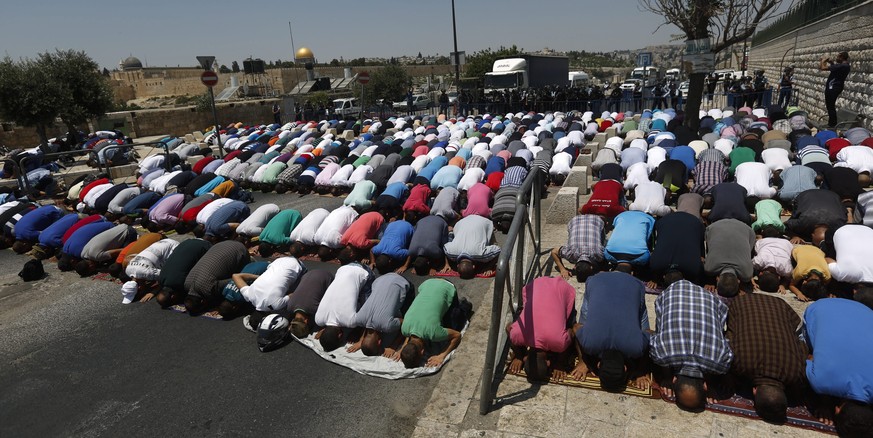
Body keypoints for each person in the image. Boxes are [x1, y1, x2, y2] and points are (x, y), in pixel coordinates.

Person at [650, 278, 733, 413]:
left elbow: (728, 351)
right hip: (680, 293)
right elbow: (654, 340)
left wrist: (666, 378)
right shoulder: (662, 354)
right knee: (662, 331)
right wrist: (666, 377)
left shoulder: (720, 363)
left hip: (702, 297)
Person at [726, 292, 808, 424]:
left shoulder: (796, 373)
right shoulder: (739, 365)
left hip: (775, 305)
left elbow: (802, 347)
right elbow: (729, 338)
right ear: (754, 391)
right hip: (744, 303)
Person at [803, 298, 873, 435]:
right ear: (837, 410)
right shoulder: (820, 382)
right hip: (820, 308)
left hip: (865, 311)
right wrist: (824, 401)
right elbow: (808, 359)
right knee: (805, 347)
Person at [573, 271, 652, 392]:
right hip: (598, 280)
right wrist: (584, 360)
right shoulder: (589, 344)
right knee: (584, 323)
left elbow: (650, 333)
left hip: (634, 284)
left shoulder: (636, 348)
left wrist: (641, 371)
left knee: (642, 327)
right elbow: (576, 327)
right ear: (625, 368)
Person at [506, 276, 577, 383]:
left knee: (569, 325)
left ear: (548, 362)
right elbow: (508, 328)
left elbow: (571, 332)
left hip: (563, 288)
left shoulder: (559, 344)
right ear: (526, 359)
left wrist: (560, 363)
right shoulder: (517, 336)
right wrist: (520, 356)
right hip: (535, 284)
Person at [395, 278, 464, 368]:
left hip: (447, 285)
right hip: (427, 282)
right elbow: (409, 335)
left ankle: (464, 306)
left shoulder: (434, 333)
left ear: (422, 352)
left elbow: (457, 335)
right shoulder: (404, 328)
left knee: (455, 325)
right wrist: (402, 349)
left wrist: (442, 355)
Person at [314, 262, 374, 352]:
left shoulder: (350, 323)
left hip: (364, 271)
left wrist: (360, 339)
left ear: (340, 335)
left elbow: (367, 319)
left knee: (368, 305)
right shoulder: (318, 320)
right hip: (343, 268)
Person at [348, 273, 412, 357]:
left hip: (402, 282)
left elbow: (405, 323)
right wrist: (361, 341)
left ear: (379, 342)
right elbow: (367, 325)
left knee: (407, 313)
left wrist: (393, 346)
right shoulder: (358, 319)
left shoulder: (387, 326)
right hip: (381, 278)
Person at [182, 240, 250, 314]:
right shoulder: (187, 284)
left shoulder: (208, 290)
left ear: (202, 301)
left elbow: (233, 280)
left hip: (239, 250)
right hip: (220, 245)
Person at [233, 256, 306, 324]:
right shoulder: (249, 296)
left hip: (297, 266)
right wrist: (259, 277)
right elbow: (236, 276)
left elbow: (293, 294)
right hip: (278, 261)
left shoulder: (276, 305)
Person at [649, 211, 705, 286]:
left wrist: (654, 279)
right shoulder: (655, 265)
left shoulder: (694, 268)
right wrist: (654, 279)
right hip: (672, 221)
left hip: (690, 222)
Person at [704, 218, 756, 297]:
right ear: (738, 281)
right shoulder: (709, 268)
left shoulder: (747, 274)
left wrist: (710, 282)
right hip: (719, 227)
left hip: (716, 226)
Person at [442, 214, 501, 279]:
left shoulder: (481, 255)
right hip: (462, 222)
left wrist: (489, 267)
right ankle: (451, 232)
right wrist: (447, 264)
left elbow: (498, 250)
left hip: (480, 222)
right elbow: (445, 248)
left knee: (492, 243)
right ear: (473, 266)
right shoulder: (451, 253)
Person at [550, 214, 606, 282]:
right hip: (578, 220)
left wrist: (563, 269)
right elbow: (554, 252)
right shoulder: (570, 253)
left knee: (602, 244)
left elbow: (553, 251)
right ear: (575, 267)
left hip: (585, 220)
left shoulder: (599, 254)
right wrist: (562, 269)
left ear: (574, 267)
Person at [286, 269, 335, 339]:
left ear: (306, 321)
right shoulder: (289, 306)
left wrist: (323, 329)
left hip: (327, 276)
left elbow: (330, 315)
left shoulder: (314, 309)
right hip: (309, 273)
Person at [819, 51, 851, 128]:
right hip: (835, 87)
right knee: (831, 106)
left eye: (838, 57)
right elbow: (835, 70)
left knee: (830, 106)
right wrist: (831, 63)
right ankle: (832, 122)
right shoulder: (845, 66)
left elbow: (822, 68)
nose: (836, 58)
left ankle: (832, 124)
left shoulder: (842, 66)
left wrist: (822, 61)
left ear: (842, 57)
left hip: (833, 87)